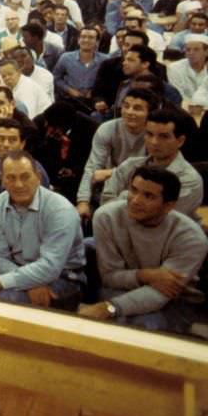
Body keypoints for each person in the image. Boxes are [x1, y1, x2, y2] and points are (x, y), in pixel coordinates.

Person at [79, 166, 208, 334]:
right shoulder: (107, 217)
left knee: (141, 328)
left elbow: (164, 292)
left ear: (169, 205)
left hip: (175, 301)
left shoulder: (191, 237)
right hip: (118, 289)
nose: (135, 200)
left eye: (148, 196)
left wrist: (110, 307)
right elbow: (109, 277)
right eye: (133, 190)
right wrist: (146, 275)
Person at [0, 151, 86, 309]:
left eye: (25, 176)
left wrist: (1, 282)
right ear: (2, 179)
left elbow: (50, 267)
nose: (19, 184)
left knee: (6, 300)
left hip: (63, 277)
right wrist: (27, 282)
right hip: (16, 269)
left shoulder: (60, 209)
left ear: (38, 177)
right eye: (11, 177)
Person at [100, 107, 203, 218]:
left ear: (180, 141)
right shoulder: (130, 165)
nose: (154, 142)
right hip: (120, 232)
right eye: (149, 134)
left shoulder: (189, 180)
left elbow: (158, 219)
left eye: (163, 136)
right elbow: (105, 205)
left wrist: (124, 195)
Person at [76, 89, 155, 220]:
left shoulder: (153, 134)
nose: (129, 112)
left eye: (137, 108)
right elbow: (92, 168)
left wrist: (111, 172)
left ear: (149, 113)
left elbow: (154, 168)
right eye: (126, 106)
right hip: (109, 188)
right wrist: (83, 202)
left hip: (144, 189)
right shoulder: (108, 129)